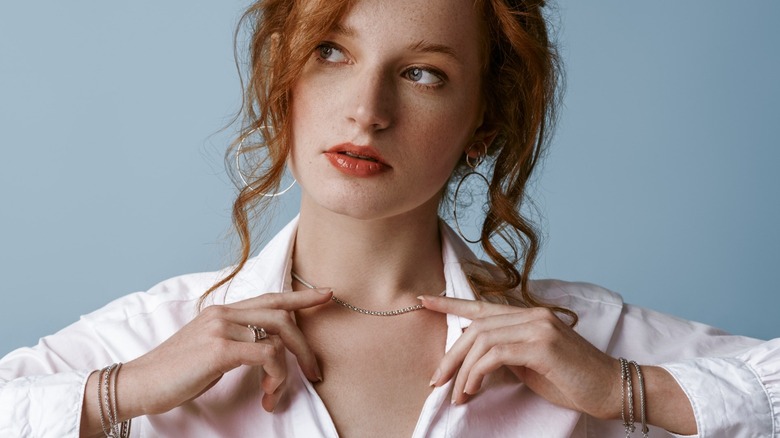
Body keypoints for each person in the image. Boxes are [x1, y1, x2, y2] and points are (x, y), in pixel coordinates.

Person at [1, 0, 778, 437]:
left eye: (422, 74)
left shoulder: (575, 343)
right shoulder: (156, 340)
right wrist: (114, 396)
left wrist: (632, 392)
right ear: (286, 80)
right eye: (333, 53)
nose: (367, 111)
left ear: (481, 122)